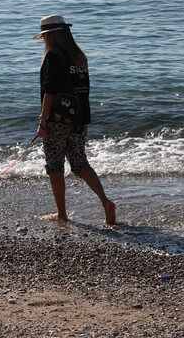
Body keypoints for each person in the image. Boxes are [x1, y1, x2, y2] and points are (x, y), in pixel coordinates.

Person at [33, 14, 116, 225]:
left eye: (44, 36)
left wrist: (43, 120)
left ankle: (61, 214)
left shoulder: (53, 57)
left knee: (54, 165)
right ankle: (106, 202)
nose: (43, 40)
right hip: (80, 117)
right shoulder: (79, 56)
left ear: (49, 36)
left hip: (58, 120)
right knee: (80, 163)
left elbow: (50, 92)